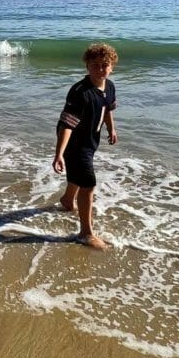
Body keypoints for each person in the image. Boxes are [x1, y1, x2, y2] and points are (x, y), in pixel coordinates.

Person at [52, 42, 119, 249]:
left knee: (78, 176)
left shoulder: (109, 86)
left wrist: (111, 129)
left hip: (91, 139)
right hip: (73, 143)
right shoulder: (80, 92)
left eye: (104, 65)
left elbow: (107, 109)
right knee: (88, 183)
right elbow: (67, 125)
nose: (100, 69)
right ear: (87, 66)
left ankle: (67, 199)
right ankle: (85, 233)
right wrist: (59, 154)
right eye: (95, 65)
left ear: (112, 66)